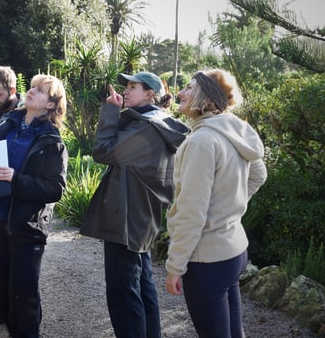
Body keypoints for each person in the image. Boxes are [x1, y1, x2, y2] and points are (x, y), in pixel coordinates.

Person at [80, 71, 190, 338]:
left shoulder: (145, 128)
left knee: (123, 293)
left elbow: (103, 152)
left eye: (133, 87)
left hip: (126, 218)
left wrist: (109, 113)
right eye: (126, 86)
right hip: (141, 216)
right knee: (141, 286)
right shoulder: (157, 123)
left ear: (150, 93)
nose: (126, 91)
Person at [164, 69, 267, 338]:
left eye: (188, 87)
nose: (180, 93)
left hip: (207, 259)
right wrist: (228, 209)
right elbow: (259, 174)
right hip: (234, 252)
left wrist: (175, 267)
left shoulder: (201, 141)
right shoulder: (234, 131)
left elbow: (191, 212)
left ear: (205, 96)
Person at [0, 73, 68, 338]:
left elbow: (54, 189)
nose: (32, 91)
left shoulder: (52, 141)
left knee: (23, 293)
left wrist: (17, 179)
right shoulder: (7, 125)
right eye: (33, 87)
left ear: (51, 105)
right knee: (2, 287)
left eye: (40, 90)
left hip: (26, 225)